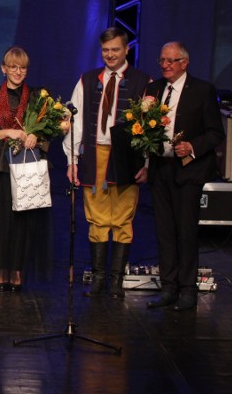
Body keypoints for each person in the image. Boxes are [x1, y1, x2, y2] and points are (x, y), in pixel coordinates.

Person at [63, 27, 152, 298]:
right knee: (97, 218)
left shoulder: (142, 82)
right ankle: (99, 277)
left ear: (126, 50)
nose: (110, 55)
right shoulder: (88, 80)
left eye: (115, 49)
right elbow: (74, 122)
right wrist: (72, 160)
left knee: (123, 218)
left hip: (125, 156)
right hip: (95, 153)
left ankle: (116, 279)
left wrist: (146, 163)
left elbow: (151, 128)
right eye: (105, 50)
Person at [146, 42, 224, 311]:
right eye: (162, 60)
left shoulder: (202, 91)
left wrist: (192, 146)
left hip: (189, 171)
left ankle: (187, 289)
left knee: (186, 230)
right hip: (160, 169)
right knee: (165, 231)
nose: (166, 65)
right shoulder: (154, 89)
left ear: (184, 62)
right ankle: (168, 286)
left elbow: (216, 133)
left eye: (171, 60)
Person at [0, 46, 52, 292]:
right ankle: (1, 269)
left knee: (23, 222)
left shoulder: (38, 98)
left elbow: (46, 133)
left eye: (22, 68)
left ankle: (17, 270)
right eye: (13, 67)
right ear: (3, 68)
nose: (18, 72)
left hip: (26, 167)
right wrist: (9, 132)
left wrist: (35, 138)